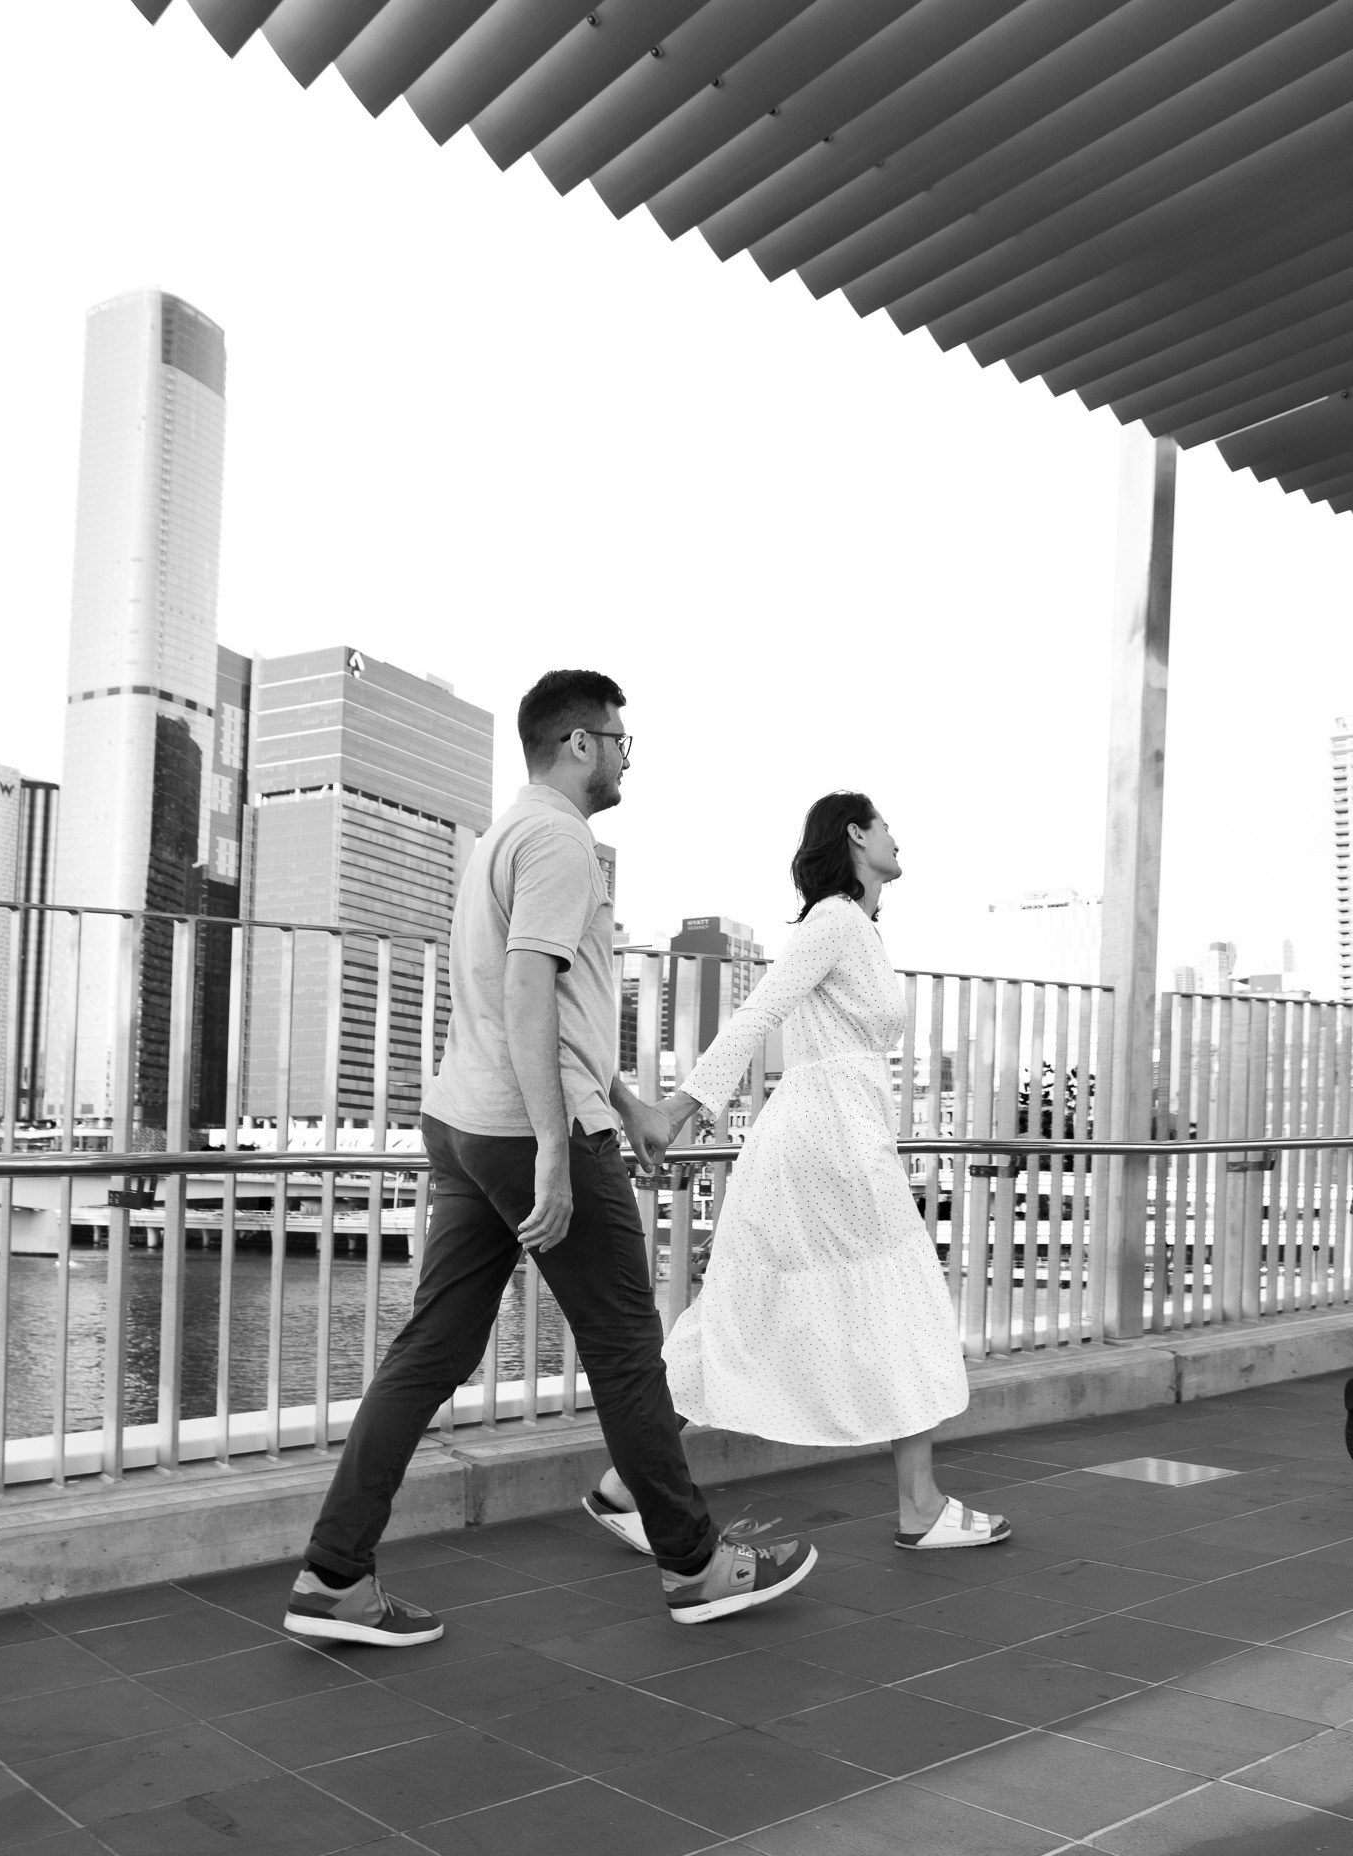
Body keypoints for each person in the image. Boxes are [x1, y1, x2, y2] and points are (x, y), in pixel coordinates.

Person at [285, 671, 817, 1648]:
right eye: (618, 741)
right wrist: (552, 1149)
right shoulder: (563, 840)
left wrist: (629, 1105)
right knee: (624, 1349)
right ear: (578, 742)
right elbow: (527, 991)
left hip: (463, 1120)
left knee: (431, 1350)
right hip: (531, 1126)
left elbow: (555, 1008)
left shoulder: (505, 835)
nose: (624, 760)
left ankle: (333, 1575)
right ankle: (696, 1564)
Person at [586, 790, 1008, 1555]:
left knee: (744, 1313)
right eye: (885, 826)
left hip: (829, 1136)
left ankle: (622, 1484)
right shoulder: (835, 921)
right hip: (831, 1140)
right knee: (901, 1299)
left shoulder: (855, 927)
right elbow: (757, 1013)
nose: (896, 837)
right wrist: (677, 1109)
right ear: (855, 835)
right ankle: (918, 1506)